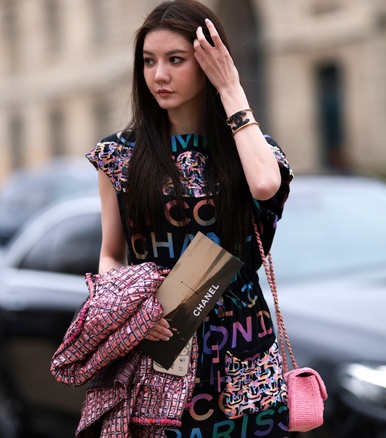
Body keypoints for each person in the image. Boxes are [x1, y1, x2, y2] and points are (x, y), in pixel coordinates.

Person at [85, 0, 293, 436]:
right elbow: (110, 254)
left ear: (208, 64)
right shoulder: (120, 156)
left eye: (175, 60)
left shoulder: (249, 149)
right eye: (149, 61)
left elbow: (264, 187)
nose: (159, 75)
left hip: (244, 354)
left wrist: (231, 88)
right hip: (161, 353)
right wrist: (131, 311)